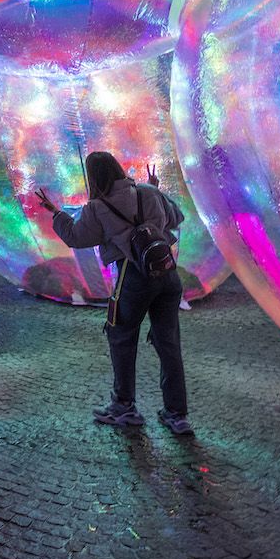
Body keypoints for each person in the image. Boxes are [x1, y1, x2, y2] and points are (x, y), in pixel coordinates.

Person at [33, 150, 190, 434]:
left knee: (121, 338)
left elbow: (76, 237)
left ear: (93, 177)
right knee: (169, 343)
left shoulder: (98, 207)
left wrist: (55, 213)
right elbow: (175, 218)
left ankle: (124, 407)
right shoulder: (146, 191)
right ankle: (177, 415)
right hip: (168, 275)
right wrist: (154, 193)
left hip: (133, 276)